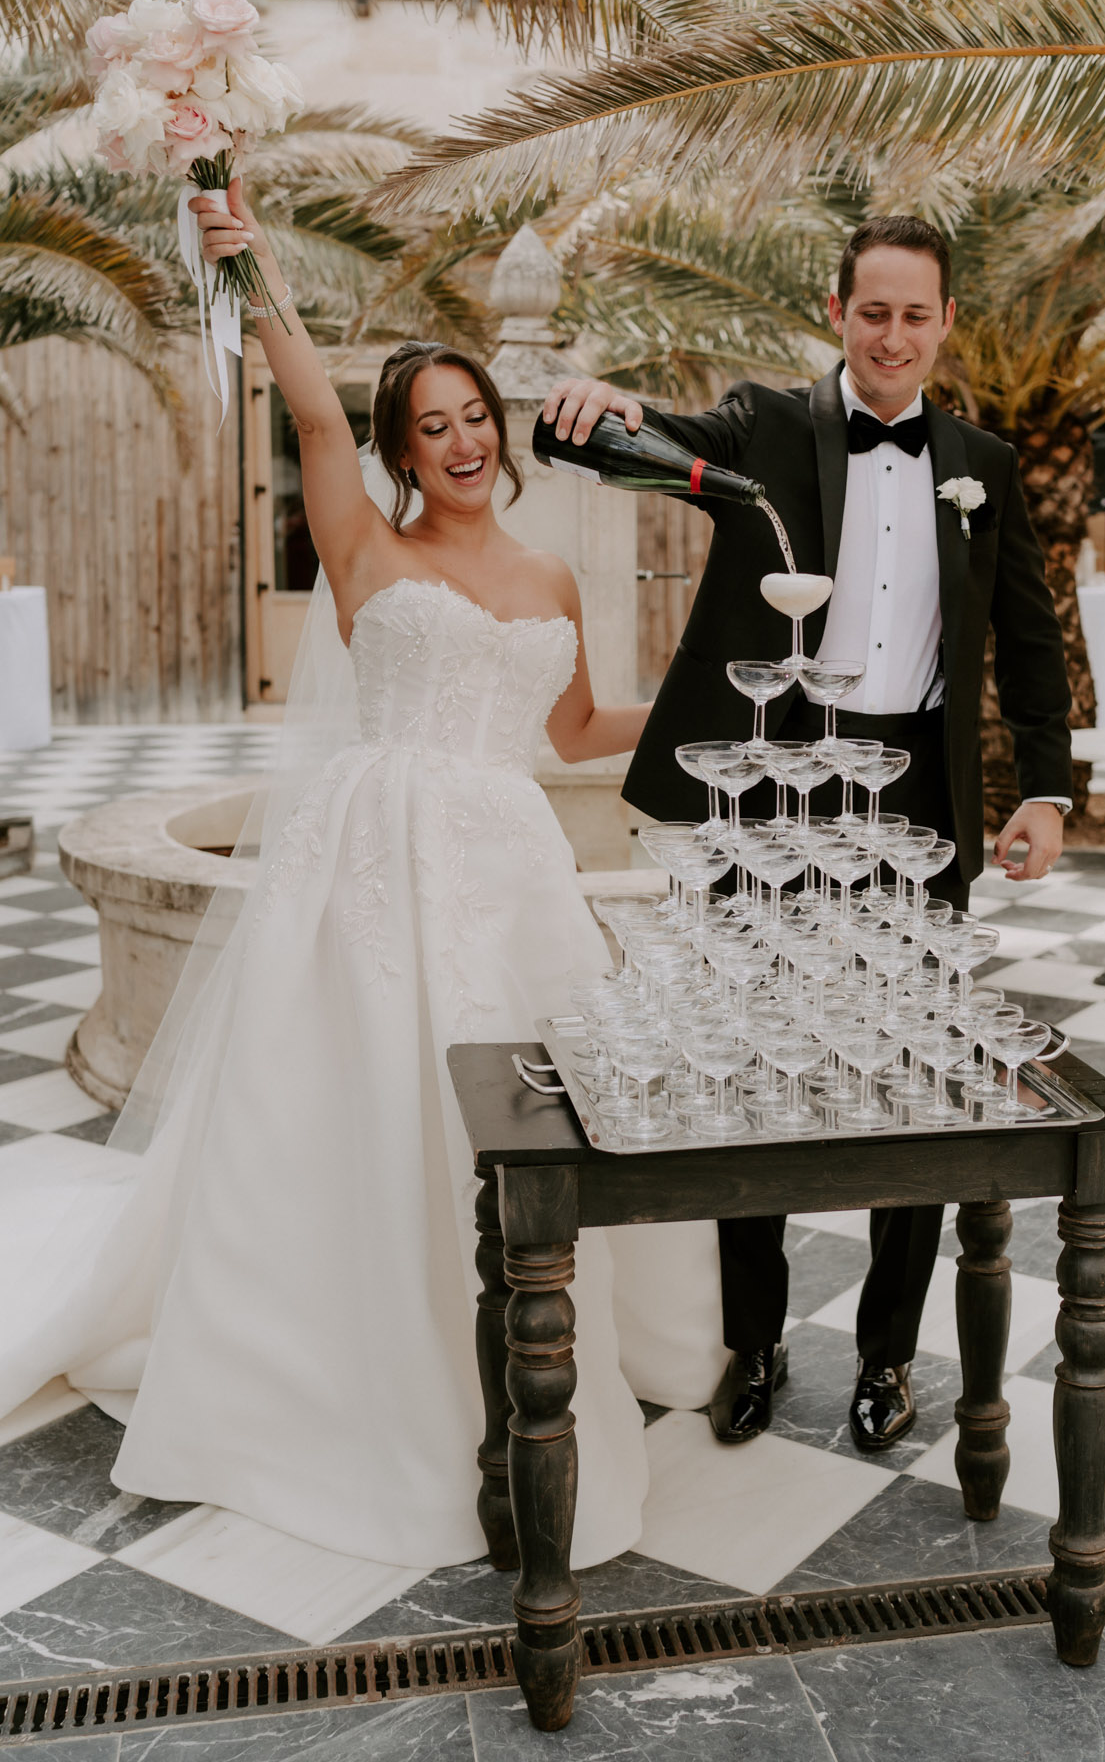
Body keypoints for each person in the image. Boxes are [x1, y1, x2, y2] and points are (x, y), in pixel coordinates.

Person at [0, 180, 724, 1572]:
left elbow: (571, 736)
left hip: (505, 866)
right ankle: (338, 1365)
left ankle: (531, 1361)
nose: (456, 441)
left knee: (515, 1113)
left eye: (471, 420)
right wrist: (247, 249)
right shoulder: (365, 544)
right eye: (428, 426)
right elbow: (308, 409)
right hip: (370, 856)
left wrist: (708, 701)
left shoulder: (551, 582)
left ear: (497, 437)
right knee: (355, 1101)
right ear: (399, 449)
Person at [543, 213, 1072, 1456]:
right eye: (872, 310)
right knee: (749, 1063)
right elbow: (651, 445)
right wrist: (604, 405)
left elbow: (1034, 645)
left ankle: (889, 1355)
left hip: (915, 797)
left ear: (946, 322)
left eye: (916, 313)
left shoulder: (983, 462)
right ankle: (756, 1337)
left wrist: (1043, 790)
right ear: (836, 312)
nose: (893, 335)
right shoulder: (768, 425)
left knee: (919, 1080)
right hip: (772, 788)